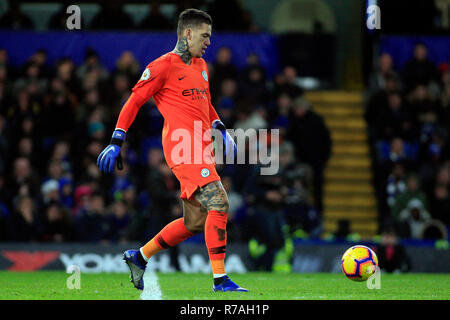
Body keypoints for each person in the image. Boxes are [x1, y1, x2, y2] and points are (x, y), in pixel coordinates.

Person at [97, 9, 247, 292]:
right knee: (220, 201)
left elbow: (204, 101)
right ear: (187, 33)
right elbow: (134, 101)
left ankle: (139, 256)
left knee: (194, 222)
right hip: (182, 147)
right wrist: (117, 140)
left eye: (210, 37)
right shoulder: (162, 66)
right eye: (205, 36)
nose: (208, 42)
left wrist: (220, 127)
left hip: (201, 147)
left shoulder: (201, 65)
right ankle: (220, 279)